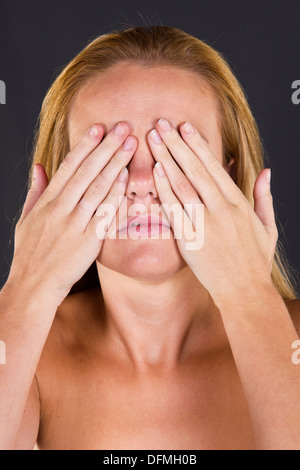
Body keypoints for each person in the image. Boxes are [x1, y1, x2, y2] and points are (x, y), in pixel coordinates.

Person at [0, 25, 299, 451]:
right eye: (105, 156)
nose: (143, 184)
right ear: (60, 185)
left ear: (229, 176)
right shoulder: (31, 353)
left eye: (176, 153)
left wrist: (250, 294)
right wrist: (27, 288)